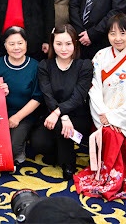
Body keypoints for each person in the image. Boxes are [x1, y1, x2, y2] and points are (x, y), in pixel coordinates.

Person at [74, 13, 126, 201]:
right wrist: (103, 114)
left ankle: (117, 175)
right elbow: (94, 88)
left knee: (115, 134)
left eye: (123, 33)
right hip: (102, 115)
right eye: (112, 33)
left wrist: (117, 118)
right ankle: (103, 173)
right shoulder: (101, 55)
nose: (118, 38)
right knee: (107, 132)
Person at [32, 24, 93, 180]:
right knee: (38, 142)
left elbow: (78, 97)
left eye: (68, 44)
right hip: (52, 113)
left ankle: (68, 163)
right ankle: (58, 152)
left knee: (61, 126)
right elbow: (48, 95)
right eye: (59, 44)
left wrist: (60, 113)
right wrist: (62, 115)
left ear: (75, 44)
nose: (63, 49)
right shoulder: (45, 65)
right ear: (52, 44)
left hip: (78, 116)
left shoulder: (84, 65)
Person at [0, 26, 42, 166]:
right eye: (11, 44)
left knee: (12, 150)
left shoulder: (35, 66)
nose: (16, 47)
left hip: (24, 115)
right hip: (0, 114)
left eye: (20, 43)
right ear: (5, 45)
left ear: (26, 43)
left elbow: (37, 98)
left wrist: (17, 117)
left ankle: (21, 143)